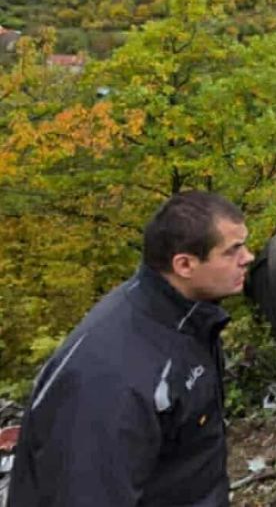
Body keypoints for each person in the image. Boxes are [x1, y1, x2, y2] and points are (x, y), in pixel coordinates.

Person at [9, 191, 255, 507]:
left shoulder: (187, 319)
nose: (247, 257)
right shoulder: (111, 376)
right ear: (184, 264)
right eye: (232, 250)